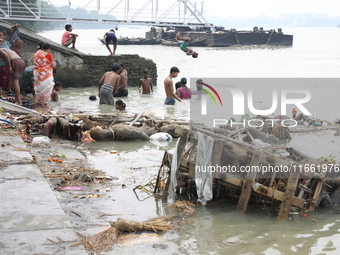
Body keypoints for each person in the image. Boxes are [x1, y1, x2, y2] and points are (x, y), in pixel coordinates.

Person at [33, 43, 56, 107]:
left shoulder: (36, 54)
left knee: (38, 87)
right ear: (48, 49)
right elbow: (52, 65)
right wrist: (54, 64)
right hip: (45, 74)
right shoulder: (49, 55)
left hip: (37, 73)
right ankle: (44, 102)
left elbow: (38, 63)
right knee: (47, 87)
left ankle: (39, 101)